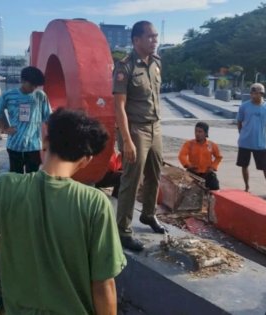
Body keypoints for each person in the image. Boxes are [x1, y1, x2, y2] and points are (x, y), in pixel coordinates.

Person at [0, 108, 126, 315]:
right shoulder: (95, 203)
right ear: (86, 159)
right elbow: (104, 284)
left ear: (45, 142)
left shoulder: (5, 186)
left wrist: (18, 243)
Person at [113, 20, 165, 252]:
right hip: (135, 129)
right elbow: (119, 107)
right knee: (132, 179)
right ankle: (123, 230)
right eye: (150, 37)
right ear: (136, 40)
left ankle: (148, 214)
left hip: (155, 127)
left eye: (156, 37)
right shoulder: (125, 67)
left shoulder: (156, 63)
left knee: (155, 174)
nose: (155, 40)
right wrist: (126, 139)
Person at [0, 66, 52, 174]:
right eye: (31, 84)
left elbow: (48, 118)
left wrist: (49, 139)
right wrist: (5, 129)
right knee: (15, 177)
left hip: (34, 146)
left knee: (32, 177)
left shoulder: (40, 96)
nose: (33, 87)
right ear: (22, 80)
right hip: (14, 145)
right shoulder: (8, 95)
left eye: (36, 85)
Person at [236, 83, 266, 199]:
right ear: (251, 93)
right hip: (245, 142)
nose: (256, 94)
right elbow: (239, 122)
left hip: (260, 143)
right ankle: (247, 187)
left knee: (265, 167)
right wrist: (242, 134)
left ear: (263, 93)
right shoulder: (244, 106)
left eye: (259, 92)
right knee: (244, 165)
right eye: (254, 92)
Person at [178, 122, 223, 190]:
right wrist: (188, 165)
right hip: (193, 173)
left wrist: (213, 167)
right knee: (184, 190)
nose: (197, 134)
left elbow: (218, 157)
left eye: (200, 132)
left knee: (215, 188)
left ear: (206, 133)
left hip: (207, 173)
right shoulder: (189, 144)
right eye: (196, 131)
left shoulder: (211, 145)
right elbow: (182, 155)